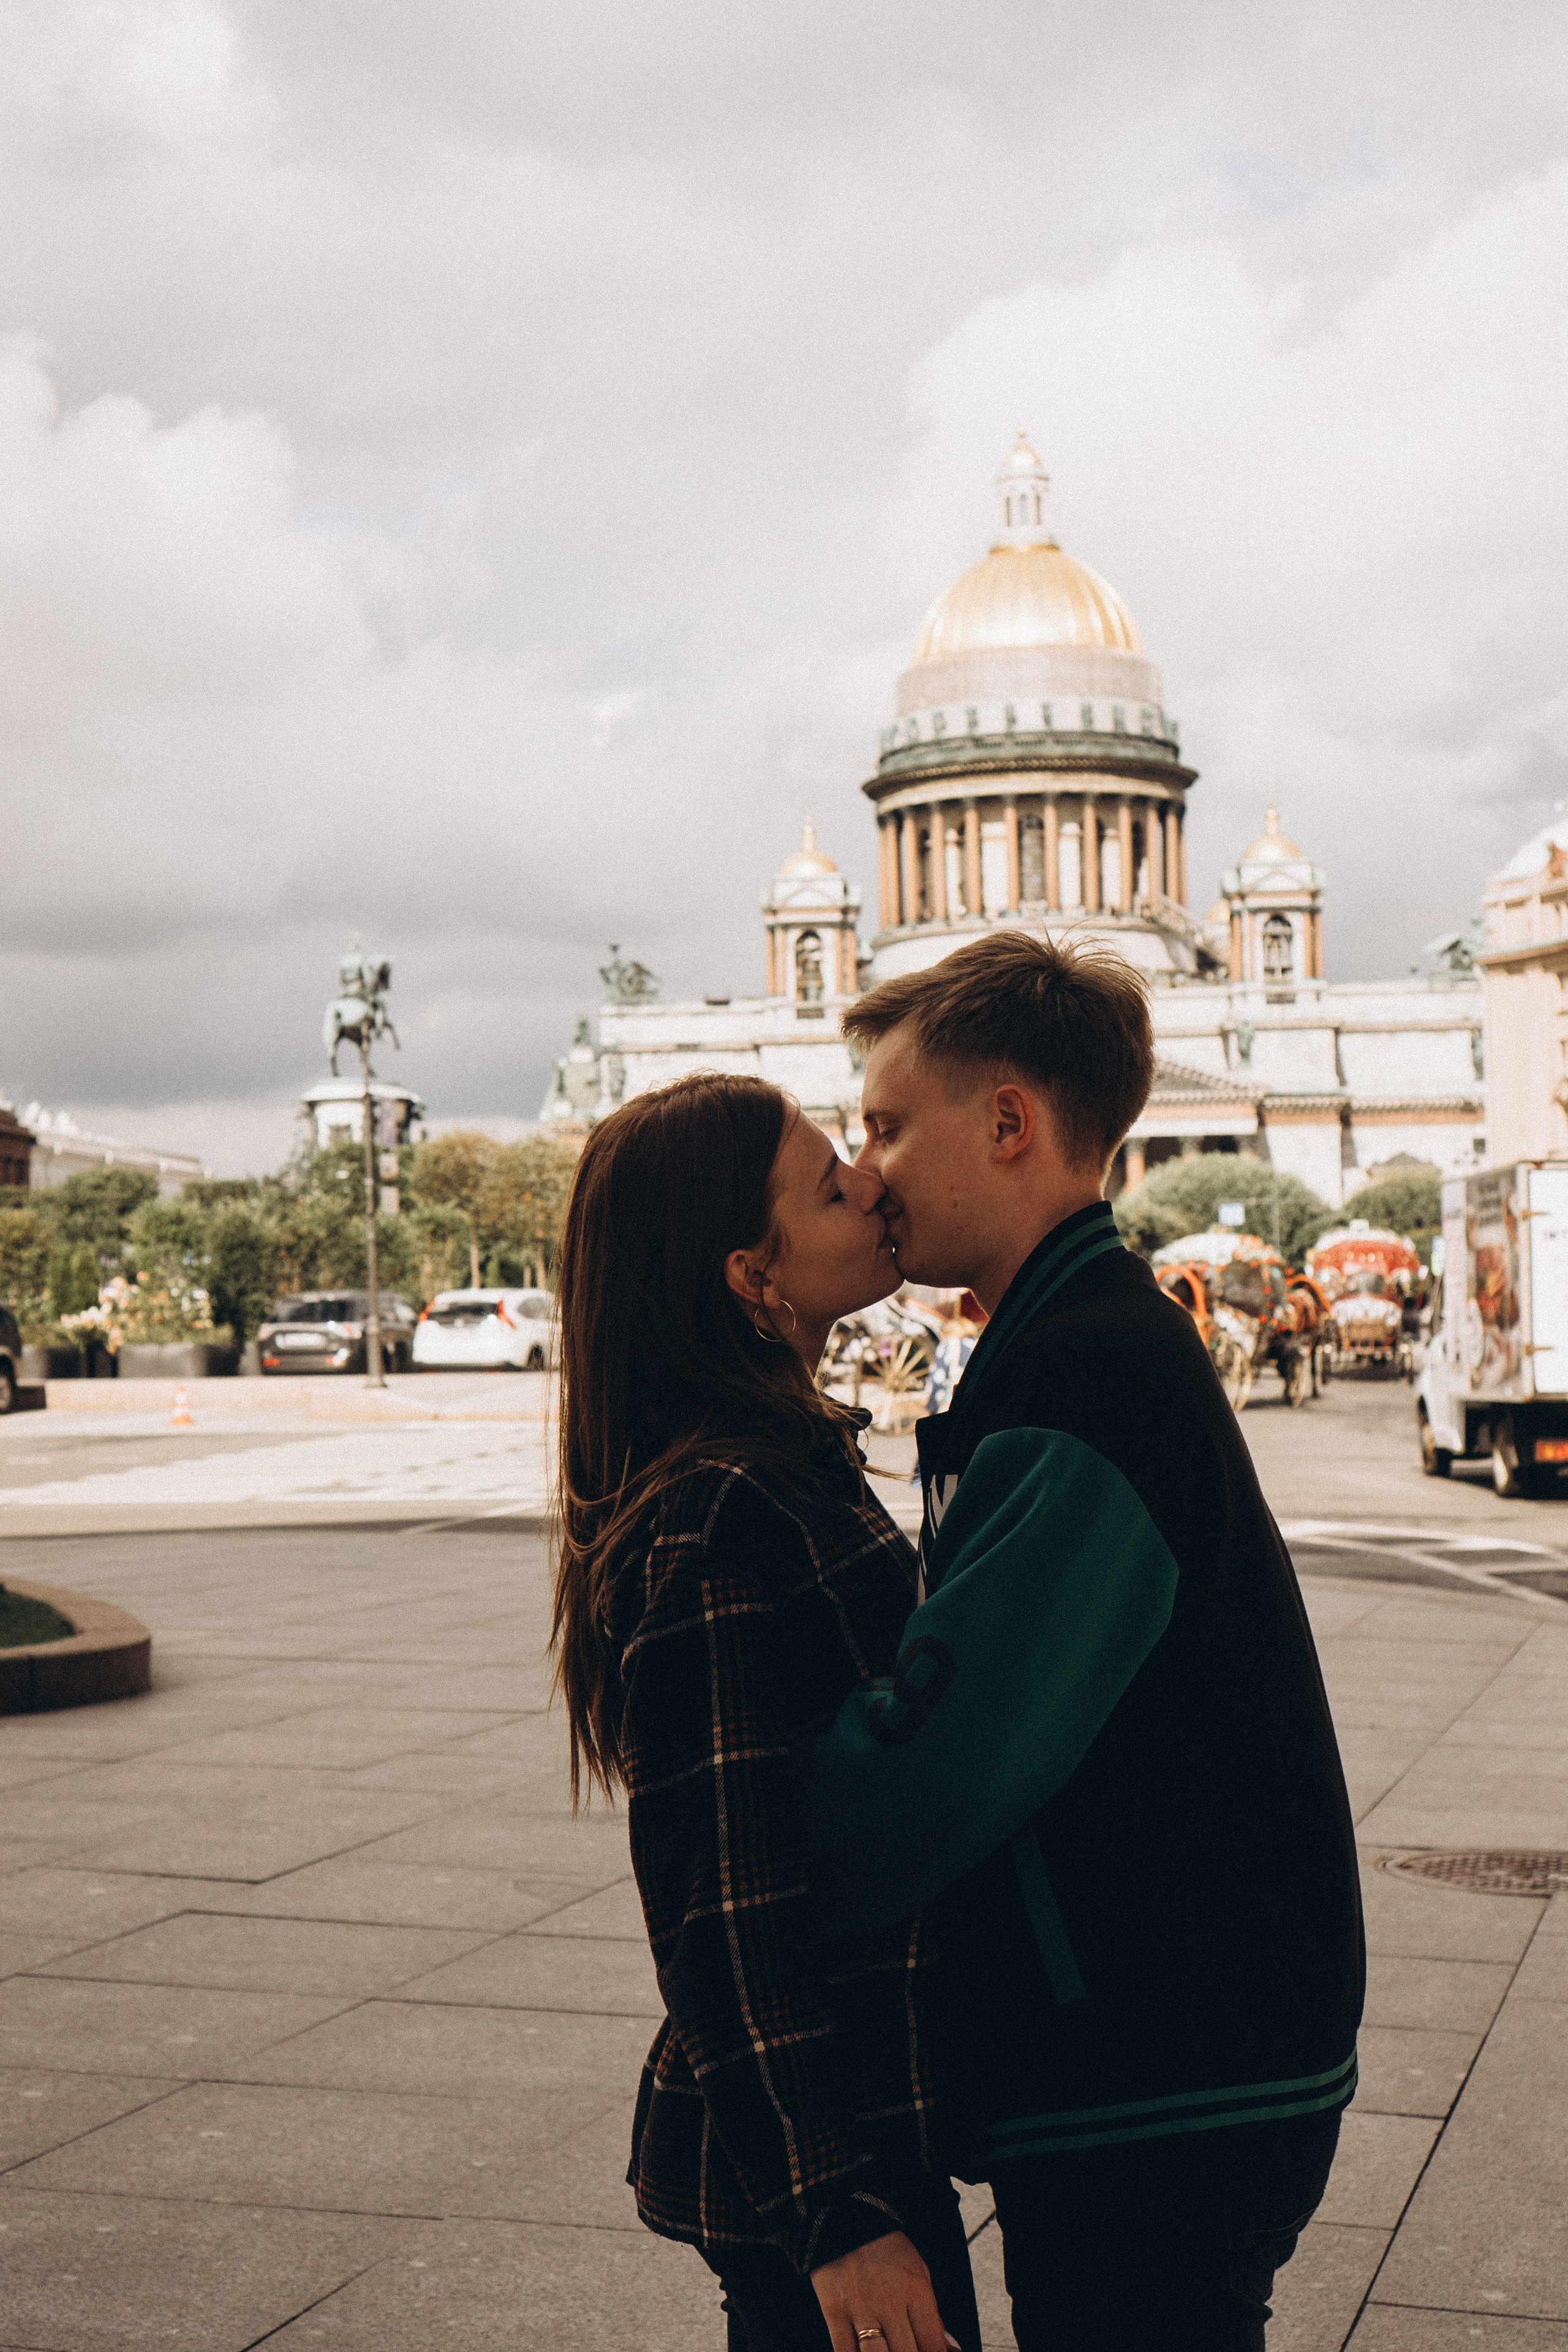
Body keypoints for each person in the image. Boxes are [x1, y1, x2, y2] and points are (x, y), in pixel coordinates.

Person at [802, 930, 1364, 2352]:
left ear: (1006, 1124)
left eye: (881, 1126)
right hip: (1191, 2038)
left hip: (1154, 2066)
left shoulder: (1077, 1378)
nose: (861, 1172)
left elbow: (928, 1779)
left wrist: (753, 1798)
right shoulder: (1085, 1341)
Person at [549, 1073, 982, 2352]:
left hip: (847, 2124)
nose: (871, 1182)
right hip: (822, 2152)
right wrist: (831, 2212)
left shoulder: (771, 1462)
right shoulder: (724, 1507)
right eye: (827, 1180)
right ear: (752, 1277)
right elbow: (717, 1897)